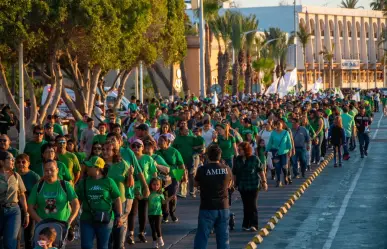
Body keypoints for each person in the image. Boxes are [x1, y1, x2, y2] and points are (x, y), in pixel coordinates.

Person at [76, 156, 123, 249]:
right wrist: (74, 217)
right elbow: (77, 201)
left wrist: (119, 216)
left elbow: (117, 199)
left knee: (103, 247)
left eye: (90, 166)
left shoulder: (109, 181)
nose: (87, 168)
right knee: (86, 246)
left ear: (98, 168)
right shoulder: (83, 182)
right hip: (87, 219)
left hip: (105, 219)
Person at [193, 144, 232, 249]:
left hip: (207, 206)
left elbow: (195, 184)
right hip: (223, 206)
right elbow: (230, 184)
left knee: (202, 236)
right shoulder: (227, 169)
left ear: (208, 156)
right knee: (223, 238)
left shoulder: (202, 169)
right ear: (220, 156)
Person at [27, 160, 79, 226]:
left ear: (57, 170)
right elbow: (30, 207)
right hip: (44, 228)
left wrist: (69, 220)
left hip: (62, 226)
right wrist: (40, 221)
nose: (49, 172)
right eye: (46, 170)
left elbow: (76, 204)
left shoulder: (65, 185)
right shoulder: (38, 186)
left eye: (52, 170)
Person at [102, 142, 134, 249]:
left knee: (118, 233)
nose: (105, 152)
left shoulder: (123, 164)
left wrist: (130, 175)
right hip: (104, 202)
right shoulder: (100, 164)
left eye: (107, 149)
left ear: (114, 152)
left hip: (120, 201)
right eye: (103, 149)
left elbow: (130, 184)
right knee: (106, 236)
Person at [232, 142, 268, 231]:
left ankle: (254, 224)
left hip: (253, 184)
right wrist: (234, 183)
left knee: (253, 205)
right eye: (238, 149)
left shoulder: (254, 159)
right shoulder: (237, 159)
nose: (238, 151)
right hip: (242, 185)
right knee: (246, 205)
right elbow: (234, 172)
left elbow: (260, 170)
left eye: (240, 149)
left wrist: (264, 182)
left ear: (246, 150)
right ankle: (246, 224)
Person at [128, 139, 157, 244]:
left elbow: (154, 173)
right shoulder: (129, 158)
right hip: (132, 188)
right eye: (133, 146)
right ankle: (130, 234)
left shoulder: (148, 158)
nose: (136, 148)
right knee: (132, 212)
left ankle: (141, 232)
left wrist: (154, 188)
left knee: (143, 212)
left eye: (138, 146)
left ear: (142, 147)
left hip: (145, 189)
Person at [0, 151, 29, 249]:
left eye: (13, 159)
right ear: (2, 162)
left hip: (13, 211)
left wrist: (26, 213)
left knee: (10, 243)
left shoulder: (16, 176)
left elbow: (22, 196)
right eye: (10, 159)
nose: (13, 161)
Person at [154, 135, 185, 224]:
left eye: (161, 141)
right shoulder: (157, 153)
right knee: (163, 196)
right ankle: (165, 214)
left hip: (174, 176)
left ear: (167, 142)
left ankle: (172, 212)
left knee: (173, 195)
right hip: (161, 177)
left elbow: (181, 164)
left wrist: (182, 176)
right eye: (158, 141)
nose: (159, 143)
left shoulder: (174, 151)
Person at [15, 154, 40, 249]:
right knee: (16, 236)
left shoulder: (34, 176)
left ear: (28, 163)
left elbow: (39, 192)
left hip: (30, 208)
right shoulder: (13, 175)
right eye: (18, 162)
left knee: (29, 236)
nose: (21, 164)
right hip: (16, 208)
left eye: (23, 162)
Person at [266, 120, 293, 187]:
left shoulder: (286, 132)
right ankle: (278, 180)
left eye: (279, 124)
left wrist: (290, 150)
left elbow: (289, 142)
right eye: (276, 124)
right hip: (275, 152)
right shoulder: (273, 133)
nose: (277, 125)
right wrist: (266, 150)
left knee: (284, 166)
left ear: (282, 125)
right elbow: (270, 142)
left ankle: (285, 176)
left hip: (284, 152)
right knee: (277, 167)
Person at [147, 178, 165, 249]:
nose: (156, 186)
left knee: (157, 226)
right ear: (151, 185)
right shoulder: (149, 193)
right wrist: (139, 196)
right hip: (150, 213)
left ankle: (160, 238)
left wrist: (170, 198)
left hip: (158, 213)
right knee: (153, 229)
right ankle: (155, 242)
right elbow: (143, 198)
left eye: (157, 185)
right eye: (154, 184)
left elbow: (163, 202)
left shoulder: (160, 193)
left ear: (160, 185)